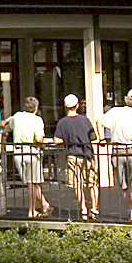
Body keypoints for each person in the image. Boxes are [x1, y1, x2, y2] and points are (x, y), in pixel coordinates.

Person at [100, 90, 132, 222]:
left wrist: (102, 139)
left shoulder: (115, 112)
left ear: (126, 99)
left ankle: (130, 210)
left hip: (117, 150)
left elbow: (99, 121)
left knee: (123, 184)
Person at [54, 93, 99, 221]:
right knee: (92, 183)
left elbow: (57, 140)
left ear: (65, 107)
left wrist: (67, 140)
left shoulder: (62, 123)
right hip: (88, 154)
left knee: (77, 184)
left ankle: (84, 208)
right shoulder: (85, 120)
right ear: (77, 105)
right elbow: (93, 136)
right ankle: (94, 208)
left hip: (73, 155)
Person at [5, 97, 50, 218]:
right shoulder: (37, 120)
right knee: (32, 183)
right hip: (31, 152)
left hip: (18, 153)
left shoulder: (17, 116)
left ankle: (45, 204)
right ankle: (32, 211)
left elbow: (8, 128)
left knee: (33, 183)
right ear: (36, 108)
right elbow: (38, 139)